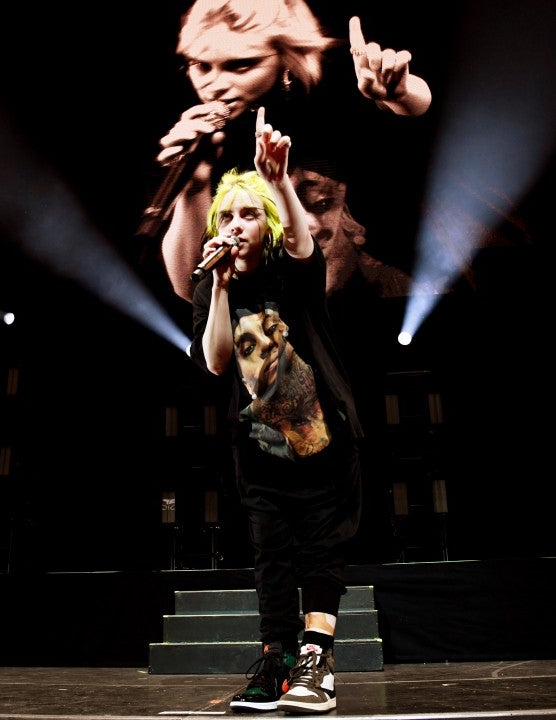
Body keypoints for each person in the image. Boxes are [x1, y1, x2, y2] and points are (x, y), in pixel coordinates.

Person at [189, 105, 363, 714]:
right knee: (270, 557)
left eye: (248, 213)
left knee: (319, 550)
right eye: (226, 215)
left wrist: (280, 181)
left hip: (321, 437)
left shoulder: (292, 272)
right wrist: (218, 288)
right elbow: (216, 361)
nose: (236, 224)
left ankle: (318, 665)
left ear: (265, 221)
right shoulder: (213, 285)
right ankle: (277, 662)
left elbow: (301, 242)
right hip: (260, 448)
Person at [147, 0, 432, 304]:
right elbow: (193, 286)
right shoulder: (195, 133)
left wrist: (401, 94)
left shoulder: (334, 92)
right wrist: (194, 187)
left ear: (285, 57)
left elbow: (417, 108)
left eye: (241, 65)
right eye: (202, 66)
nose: (214, 85)